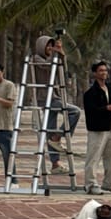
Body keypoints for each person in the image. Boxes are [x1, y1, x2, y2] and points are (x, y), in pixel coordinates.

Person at [33, 34, 81, 175]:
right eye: (48, 45)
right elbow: (48, 66)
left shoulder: (52, 58)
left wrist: (62, 55)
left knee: (49, 129)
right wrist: (55, 54)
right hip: (45, 98)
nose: (50, 48)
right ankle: (58, 137)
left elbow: (61, 70)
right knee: (75, 111)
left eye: (51, 45)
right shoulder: (36, 58)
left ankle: (55, 163)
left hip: (54, 96)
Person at [83, 61, 111, 195]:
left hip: (109, 128)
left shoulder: (109, 88)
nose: (104, 73)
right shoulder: (90, 93)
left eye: (105, 70)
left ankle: (109, 183)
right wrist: (107, 108)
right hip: (96, 129)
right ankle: (91, 184)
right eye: (100, 70)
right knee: (93, 158)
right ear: (95, 73)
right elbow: (91, 110)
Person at [0, 63, 18, 187]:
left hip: (4, 127)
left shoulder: (9, 85)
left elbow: (9, 103)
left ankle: (12, 180)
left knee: (7, 155)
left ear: (2, 72)